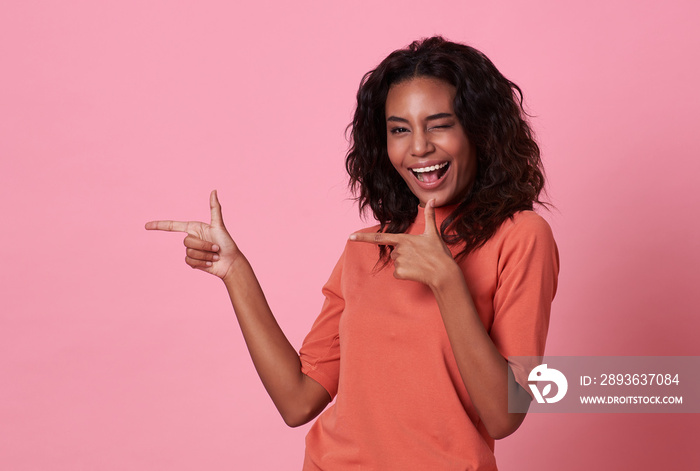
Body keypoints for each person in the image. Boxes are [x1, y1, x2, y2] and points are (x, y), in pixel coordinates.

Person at [146, 36, 559, 470]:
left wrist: (446, 280)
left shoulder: (521, 236)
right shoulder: (368, 248)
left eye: (439, 124)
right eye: (400, 129)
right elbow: (297, 399)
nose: (418, 147)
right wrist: (235, 271)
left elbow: (504, 414)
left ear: (480, 131)